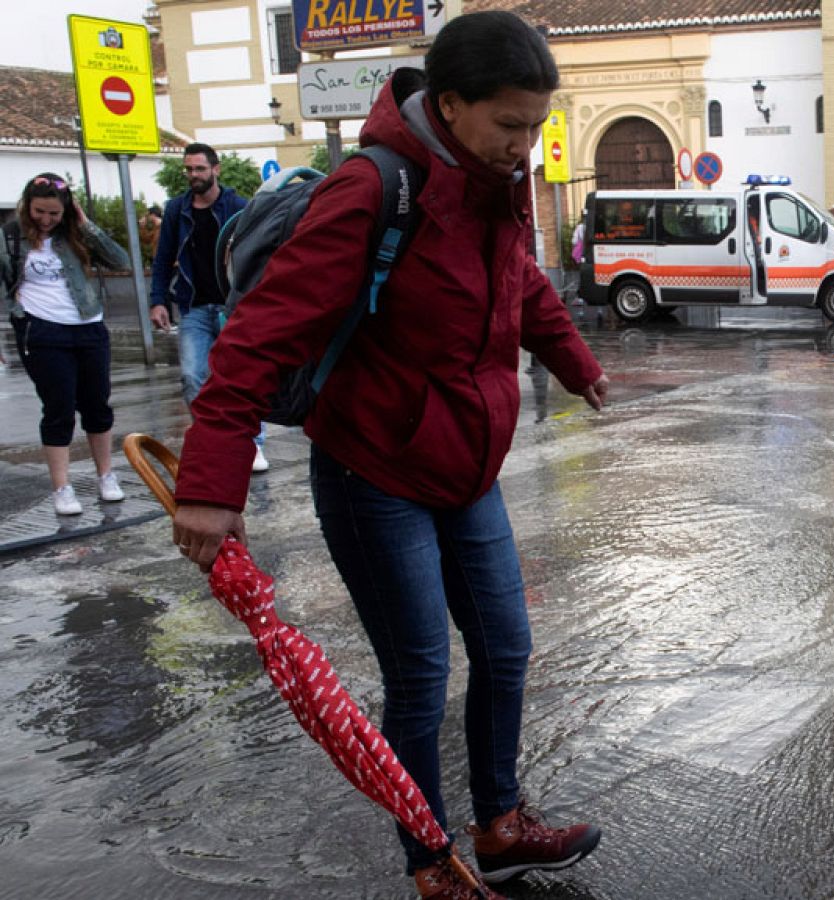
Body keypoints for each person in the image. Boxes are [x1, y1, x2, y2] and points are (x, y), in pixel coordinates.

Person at [168, 12, 609, 897]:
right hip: (374, 473)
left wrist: (575, 362)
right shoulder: (373, 190)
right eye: (510, 126)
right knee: (420, 673)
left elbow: (519, 285)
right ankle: (429, 860)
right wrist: (210, 484)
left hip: (466, 469)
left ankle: (499, 823)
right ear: (449, 104)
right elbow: (255, 339)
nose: (525, 147)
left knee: (507, 649)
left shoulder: (495, 187)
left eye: (536, 127)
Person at [1, 174, 131, 515]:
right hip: (41, 331)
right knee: (58, 409)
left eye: (54, 213)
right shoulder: (12, 236)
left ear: (67, 210)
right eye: (39, 211)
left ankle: (106, 476)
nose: (45, 219)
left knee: (97, 406)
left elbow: (121, 261)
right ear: (28, 205)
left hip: (88, 328)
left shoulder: (75, 234)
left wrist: (85, 225)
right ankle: (62, 487)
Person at [148, 143, 266, 471]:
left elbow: (255, 256)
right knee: (192, 376)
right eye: (188, 169)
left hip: (232, 307)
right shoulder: (176, 210)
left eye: (199, 169)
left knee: (242, 376)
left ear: (216, 170)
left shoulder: (239, 207)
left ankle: (253, 444)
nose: (193, 175)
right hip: (194, 306)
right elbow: (162, 259)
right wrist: (158, 300)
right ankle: (212, 441)